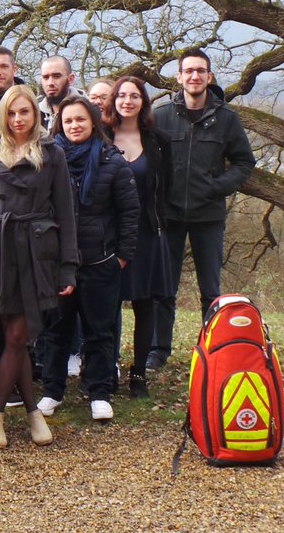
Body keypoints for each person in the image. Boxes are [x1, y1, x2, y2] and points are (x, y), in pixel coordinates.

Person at [0, 86, 78, 448]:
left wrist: (68, 267)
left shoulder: (52, 153)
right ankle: (33, 412)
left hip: (39, 253)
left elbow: (66, 214)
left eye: (25, 112)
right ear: (4, 116)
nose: (18, 119)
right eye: (12, 113)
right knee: (13, 338)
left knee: (19, 336)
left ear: (35, 115)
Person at [149, 49, 255, 370]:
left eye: (201, 71)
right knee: (163, 288)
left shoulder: (226, 119)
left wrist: (216, 187)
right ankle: (158, 350)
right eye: (189, 71)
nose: (195, 76)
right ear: (179, 77)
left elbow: (244, 162)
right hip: (168, 217)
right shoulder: (161, 116)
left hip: (208, 216)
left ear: (209, 77)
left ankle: (215, 347)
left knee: (211, 290)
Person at [37, 97, 139, 420]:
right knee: (56, 330)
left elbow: (129, 212)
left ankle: (99, 392)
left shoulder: (112, 160)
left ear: (93, 122)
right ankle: (52, 391)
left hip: (100, 262)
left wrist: (121, 257)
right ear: (60, 125)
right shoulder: (49, 160)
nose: (74, 126)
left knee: (99, 330)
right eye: (68, 121)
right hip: (59, 263)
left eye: (80, 119)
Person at [103, 75, 175, 398]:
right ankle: (106, 370)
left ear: (144, 102)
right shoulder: (101, 137)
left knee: (145, 304)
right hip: (107, 232)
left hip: (146, 231)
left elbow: (166, 187)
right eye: (122, 95)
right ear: (113, 101)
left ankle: (138, 375)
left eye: (135, 96)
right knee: (107, 304)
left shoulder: (159, 140)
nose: (127, 101)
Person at [36, 55, 85, 130]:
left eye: (56, 76)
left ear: (71, 79)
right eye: (46, 77)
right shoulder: (34, 113)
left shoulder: (89, 111)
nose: (50, 83)